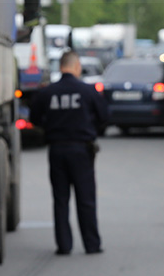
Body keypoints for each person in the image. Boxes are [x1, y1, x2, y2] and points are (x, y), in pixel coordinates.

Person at [29, 50, 108, 255]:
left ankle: (64, 245)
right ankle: (92, 245)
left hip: (57, 149)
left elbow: (34, 118)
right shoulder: (87, 91)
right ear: (76, 66)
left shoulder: (47, 92)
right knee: (86, 198)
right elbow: (104, 116)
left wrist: (51, 126)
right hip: (82, 149)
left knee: (60, 199)